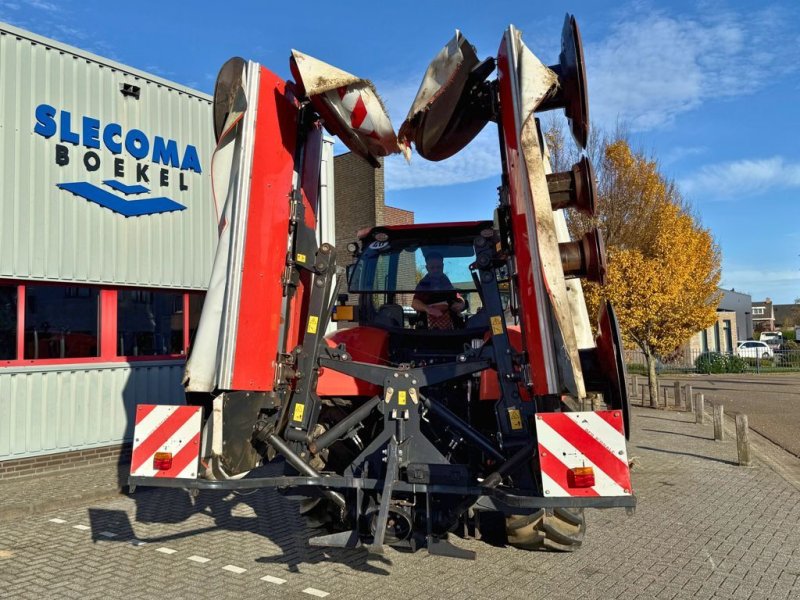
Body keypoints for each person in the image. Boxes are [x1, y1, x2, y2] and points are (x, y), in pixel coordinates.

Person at [411, 252, 465, 329]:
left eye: (438, 267)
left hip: (449, 326)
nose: (436, 270)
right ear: (427, 268)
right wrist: (428, 309)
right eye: (432, 268)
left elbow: (456, 296)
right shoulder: (424, 283)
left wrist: (462, 303)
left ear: (443, 266)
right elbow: (414, 303)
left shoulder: (445, 280)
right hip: (428, 326)